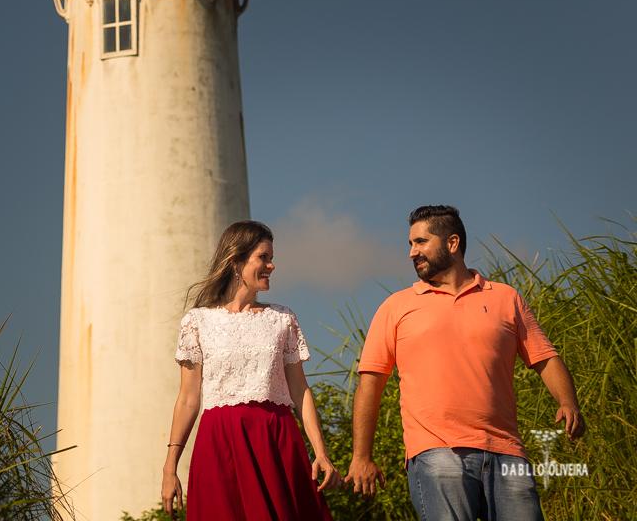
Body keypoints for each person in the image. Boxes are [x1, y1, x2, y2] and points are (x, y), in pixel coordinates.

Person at [346, 205, 586, 521]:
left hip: (507, 451)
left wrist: (568, 402)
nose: (412, 252)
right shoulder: (396, 307)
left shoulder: (506, 298)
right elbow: (370, 384)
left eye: (421, 242)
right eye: (411, 244)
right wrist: (361, 456)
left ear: (452, 243)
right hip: (437, 451)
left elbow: (545, 357)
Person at [161, 220, 338, 521]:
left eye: (271, 258)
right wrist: (170, 467)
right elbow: (189, 399)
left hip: (275, 438)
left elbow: (299, 390)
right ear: (236, 261)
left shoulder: (283, 318)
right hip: (220, 442)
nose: (271, 265)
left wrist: (321, 452)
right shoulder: (197, 321)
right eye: (263, 257)